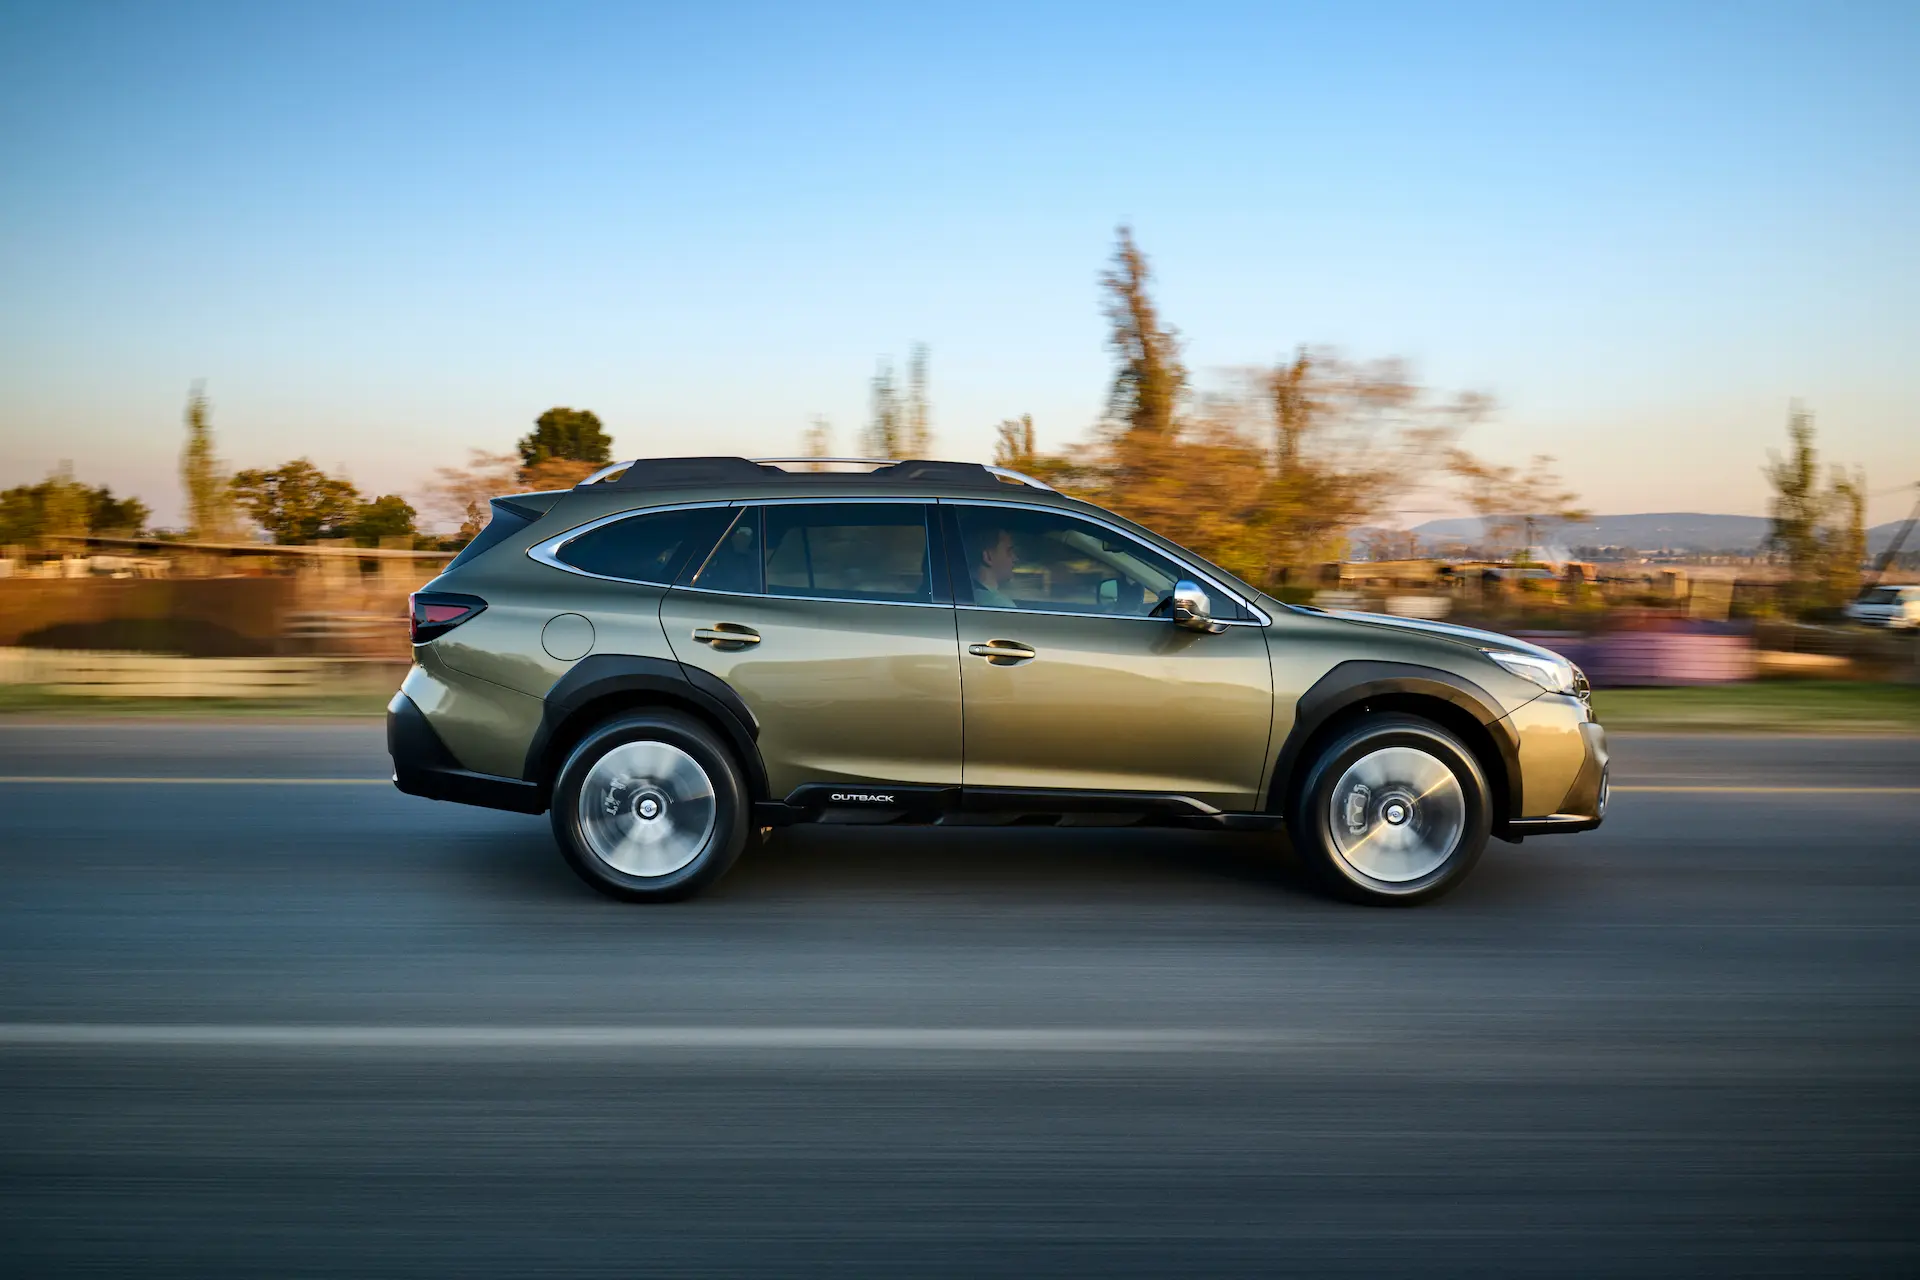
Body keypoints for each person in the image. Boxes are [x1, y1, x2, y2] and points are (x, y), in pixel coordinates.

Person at [970, 526, 1018, 608]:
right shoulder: (999, 604)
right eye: (1009, 551)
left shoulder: (970, 595)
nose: (1015, 558)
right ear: (988, 557)